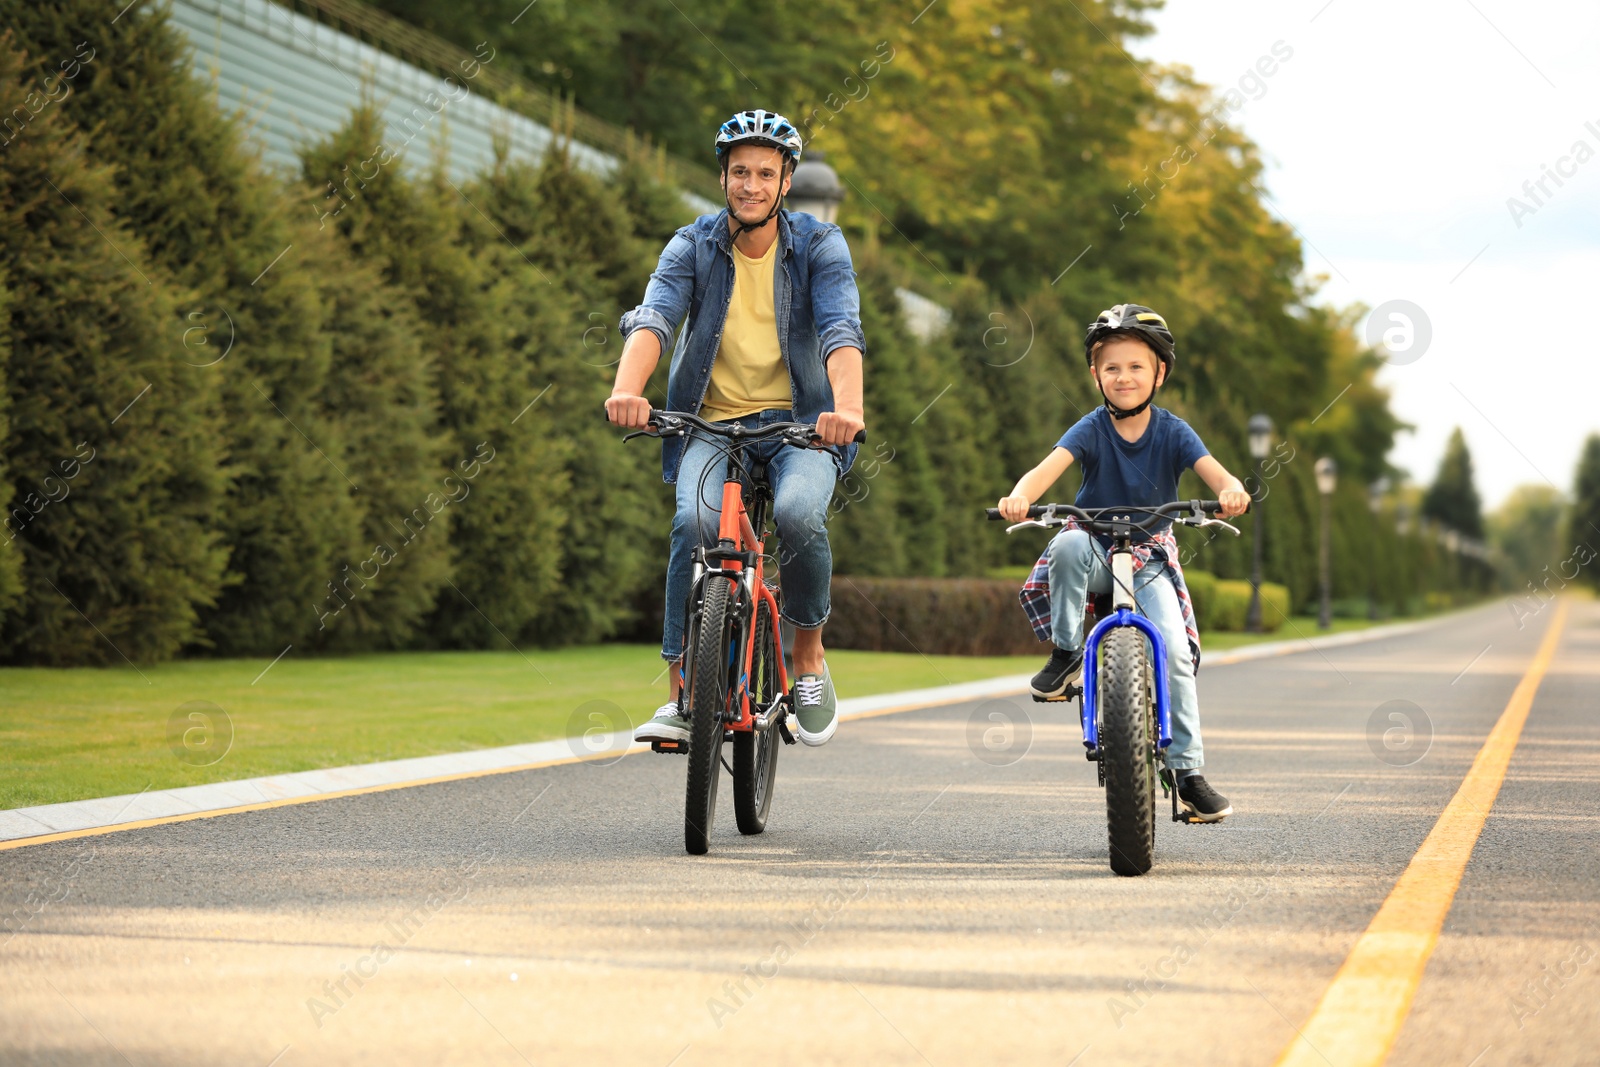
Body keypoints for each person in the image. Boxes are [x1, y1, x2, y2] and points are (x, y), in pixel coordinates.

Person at [606, 109, 866, 748]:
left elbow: (839, 329)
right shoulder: (691, 244)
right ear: (722, 176)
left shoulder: (818, 245)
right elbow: (656, 319)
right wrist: (626, 389)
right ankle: (680, 692)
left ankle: (807, 654)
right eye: (740, 171)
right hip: (710, 423)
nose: (751, 184)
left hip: (802, 426)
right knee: (693, 525)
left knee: (802, 513)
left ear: (785, 184)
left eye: (766, 174)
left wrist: (847, 409)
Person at [995, 304, 1249, 822]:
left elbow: (1216, 475)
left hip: (1150, 557)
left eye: (1136, 366)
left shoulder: (1175, 432)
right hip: (1091, 547)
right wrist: (1018, 496)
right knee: (1064, 544)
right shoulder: (1090, 429)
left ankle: (1188, 773)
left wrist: (1231, 490)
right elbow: (1044, 473)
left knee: (1174, 652)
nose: (1124, 377)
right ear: (1095, 375)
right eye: (1111, 367)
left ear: (1159, 373)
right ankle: (1067, 655)